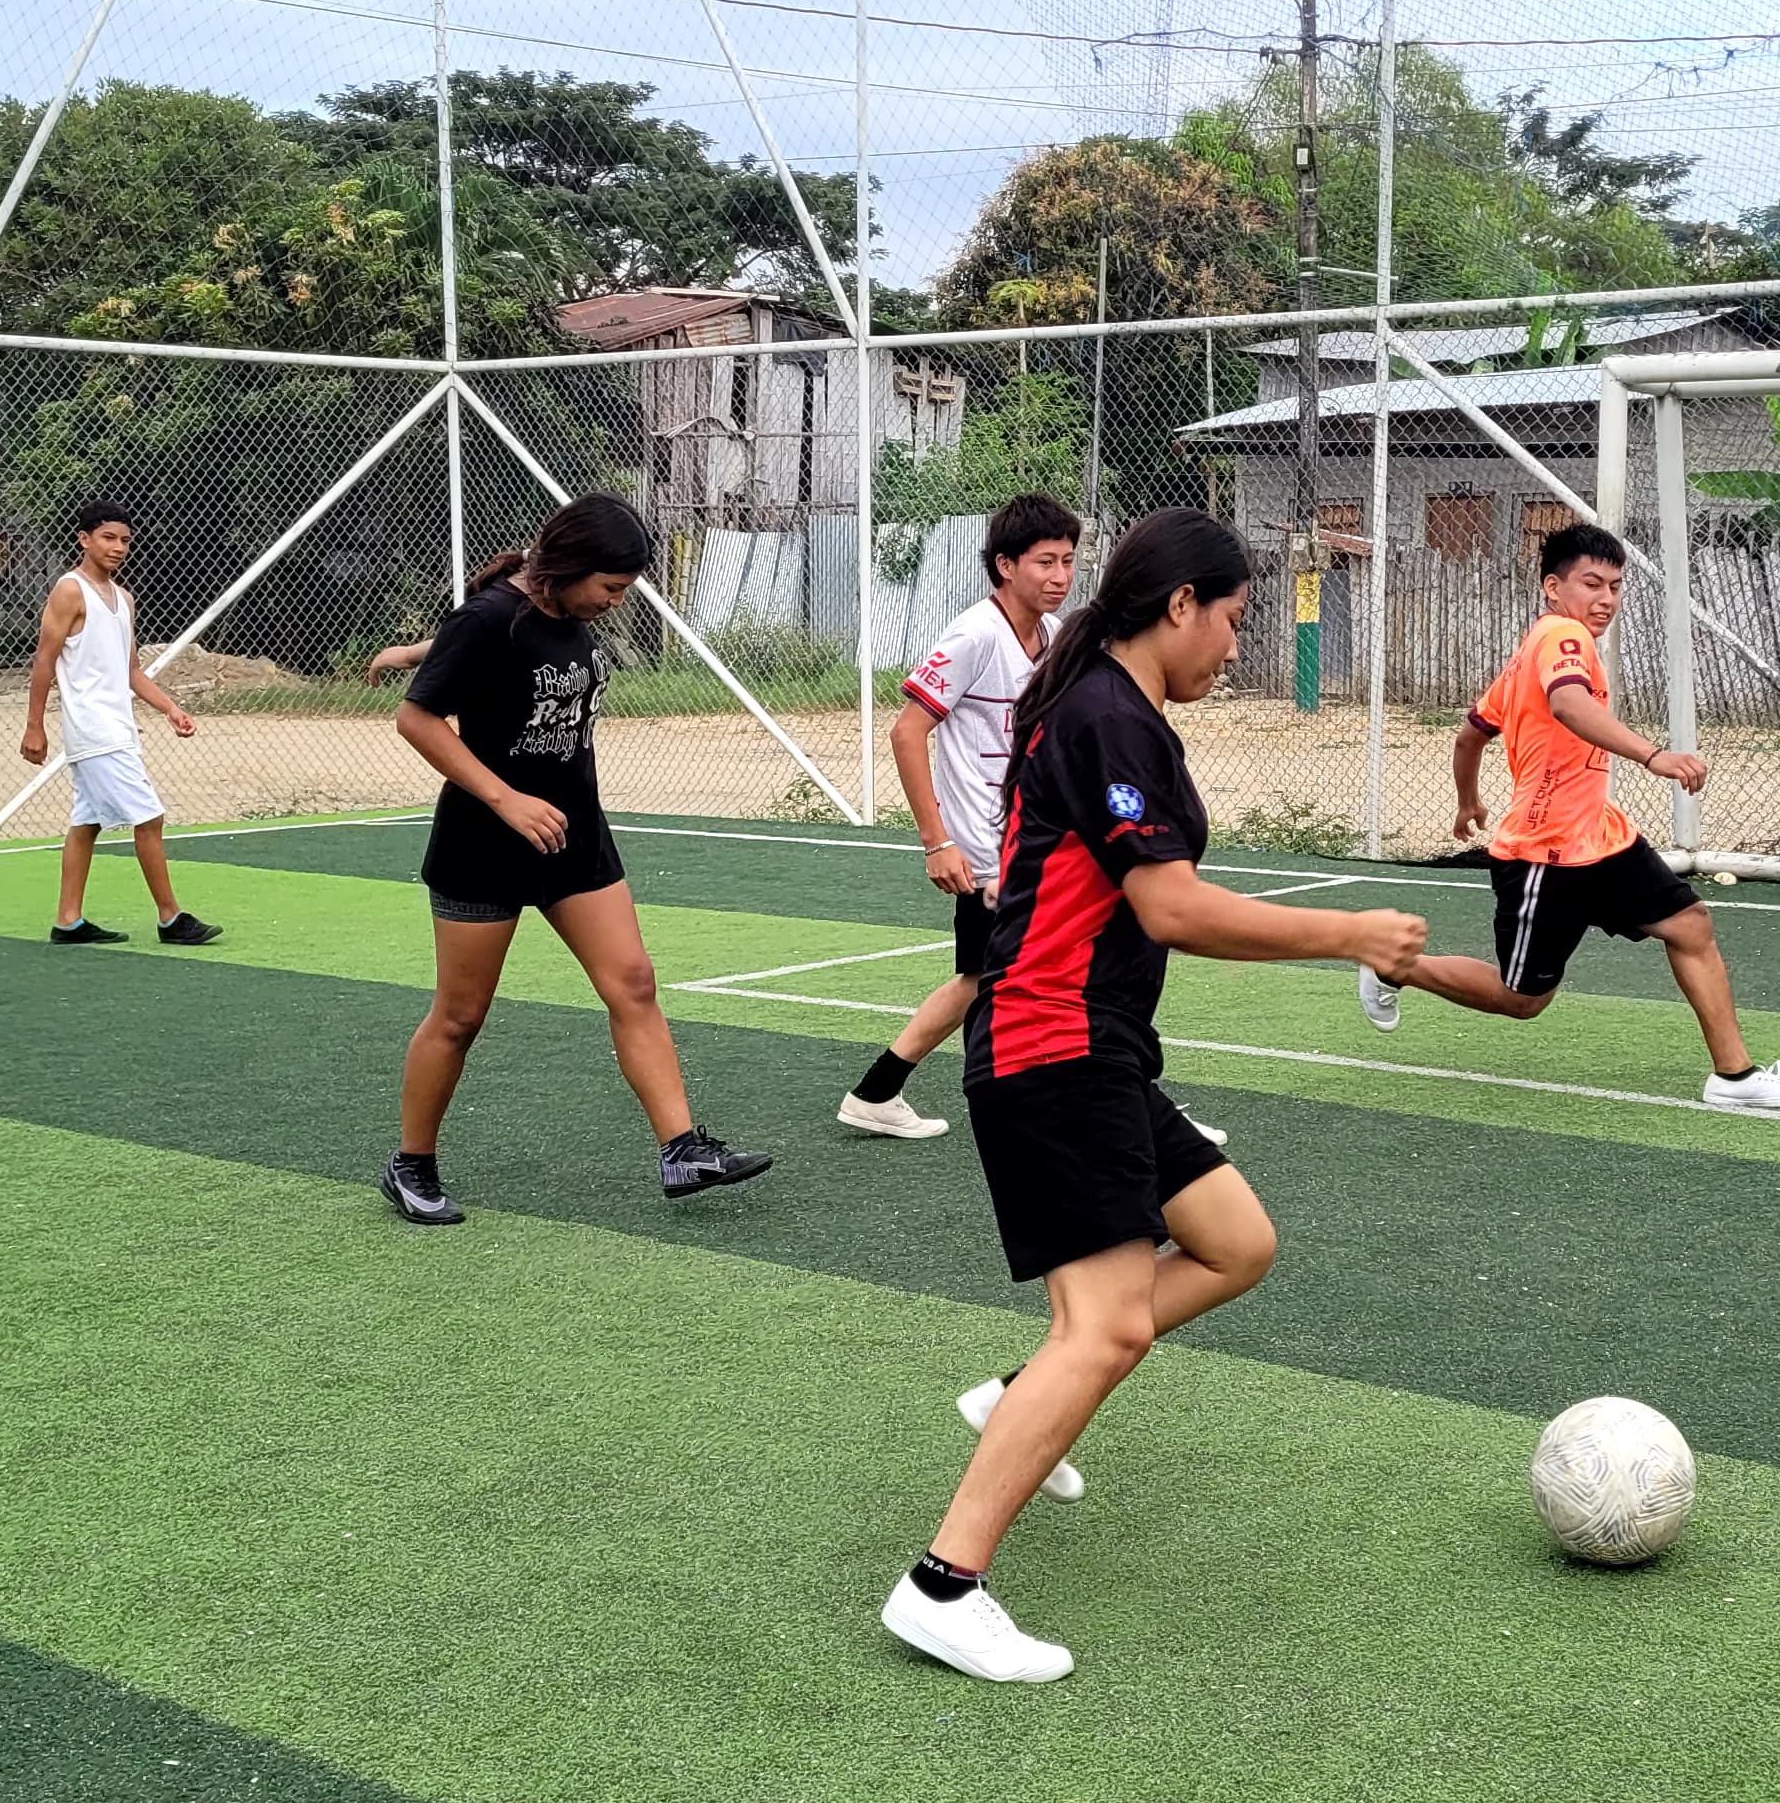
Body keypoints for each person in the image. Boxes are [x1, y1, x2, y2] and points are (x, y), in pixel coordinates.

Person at [882, 509, 1430, 1684]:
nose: (1234, 645)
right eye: (1232, 618)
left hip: (1097, 1049)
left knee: (1236, 1242)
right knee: (1110, 1326)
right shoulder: (1104, 714)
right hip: (1051, 1046)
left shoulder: (1110, 708)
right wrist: (1346, 932)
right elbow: (1170, 907)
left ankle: (1019, 1397)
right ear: (1179, 604)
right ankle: (943, 1586)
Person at [383, 493, 776, 1223]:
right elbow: (416, 718)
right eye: (611, 587)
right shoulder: (487, 617)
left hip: (574, 839)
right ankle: (411, 1165)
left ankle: (682, 1150)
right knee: (461, 1016)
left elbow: (499, 657)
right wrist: (505, 799)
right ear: (568, 567)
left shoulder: (562, 611)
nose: (616, 602)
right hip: (484, 846)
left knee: (634, 983)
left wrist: (417, 653)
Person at [1351, 522, 1780, 1112]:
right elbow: (1569, 703)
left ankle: (1734, 1074)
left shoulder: (1531, 650)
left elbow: (1471, 734)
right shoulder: (1561, 635)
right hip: (1545, 850)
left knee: (1690, 925)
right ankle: (1395, 966)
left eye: (1615, 587)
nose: (1606, 599)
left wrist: (1468, 800)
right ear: (1554, 587)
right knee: (1522, 1000)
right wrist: (1653, 755)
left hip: (1600, 836)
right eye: (1592, 584)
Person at [836, 492, 1080, 1141]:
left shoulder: (1055, 637)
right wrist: (936, 841)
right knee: (999, 977)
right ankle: (881, 1092)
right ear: (1005, 565)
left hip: (1029, 844)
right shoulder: (975, 634)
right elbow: (906, 732)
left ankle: (889, 1092)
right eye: (1045, 562)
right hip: (984, 851)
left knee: (1000, 978)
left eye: (1068, 561)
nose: (1060, 575)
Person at [20, 499, 218, 947]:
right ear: (84, 539)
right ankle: (171, 918)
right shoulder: (69, 590)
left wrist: (169, 708)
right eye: (108, 538)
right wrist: (35, 725)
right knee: (149, 816)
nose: (118, 547)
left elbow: (130, 670)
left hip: (118, 727)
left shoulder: (124, 599)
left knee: (87, 822)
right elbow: (44, 660)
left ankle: (68, 921)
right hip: (94, 730)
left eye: (125, 540)